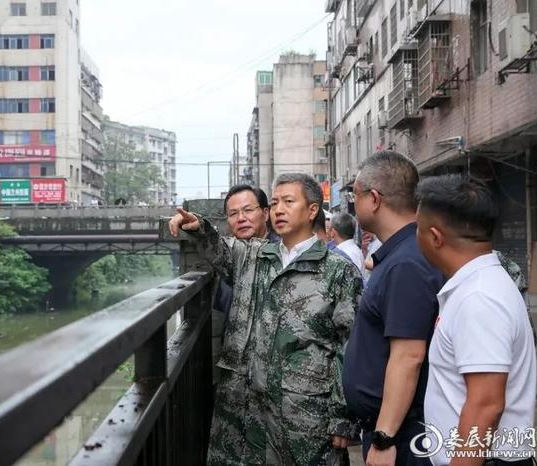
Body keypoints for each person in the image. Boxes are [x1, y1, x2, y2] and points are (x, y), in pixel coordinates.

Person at [169, 173, 363, 466]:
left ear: (312, 210)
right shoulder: (253, 255)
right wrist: (197, 226)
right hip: (243, 409)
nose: (279, 210)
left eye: (288, 202)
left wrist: (343, 418)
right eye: (274, 203)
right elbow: (218, 247)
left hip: (303, 414)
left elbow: (349, 347)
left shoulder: (338, 271)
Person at [415, 175, 537, 465]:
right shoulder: (479, 285)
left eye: (416, 229)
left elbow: (486, 405)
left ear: (435, 236)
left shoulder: (479, 298)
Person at [342, 151, 444, 466]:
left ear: (373, 199)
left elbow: (409, 356)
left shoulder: (406, 263)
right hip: (394, 426)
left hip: (403, 435)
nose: (352, 203)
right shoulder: (401, 254)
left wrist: (385, 438)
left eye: (353, 195)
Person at [214, 185, 278, 337]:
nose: (241, 218)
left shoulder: (282, 253)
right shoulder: (227, 257)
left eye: (248, 210)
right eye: (233, 213)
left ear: (265, 213)